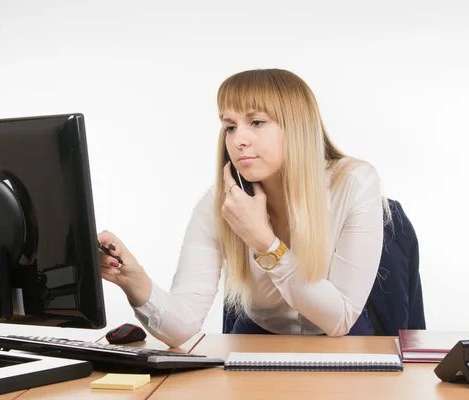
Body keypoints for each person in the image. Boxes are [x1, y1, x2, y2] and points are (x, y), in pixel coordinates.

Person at [98, 68, 389, 348]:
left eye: (257, 122)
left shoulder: (354, 184)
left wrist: (264, 242)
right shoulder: (219, 204)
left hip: (343, 345)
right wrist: (134, 280)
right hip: (256, 345)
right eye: (230, 126)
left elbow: (338, 320)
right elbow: (183, 327)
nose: (239, 140)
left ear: (297, 126)